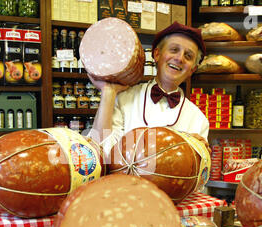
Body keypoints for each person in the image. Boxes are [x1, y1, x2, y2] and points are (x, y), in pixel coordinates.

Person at [87, 21, 210, 160]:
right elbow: (100, 152)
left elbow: (196, 176)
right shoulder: (123, 99)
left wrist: (200, 159)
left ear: (192, 70)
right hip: (122, 182)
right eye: (174, 50)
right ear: (157, 54)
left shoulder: (199, 120)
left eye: (188, 56)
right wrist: (108, 91)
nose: (179, 58)